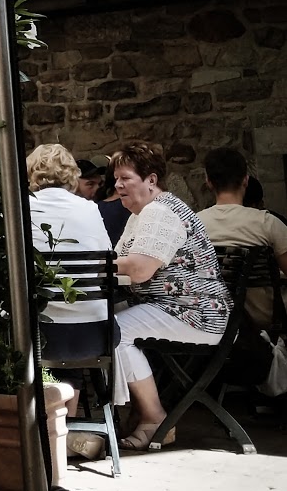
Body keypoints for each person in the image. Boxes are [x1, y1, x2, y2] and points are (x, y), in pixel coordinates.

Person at [112, 142, 231, 452]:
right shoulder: (141, 214)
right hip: (170, 307)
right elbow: (121, 262)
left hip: (195, 313)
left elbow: (138, 269)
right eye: (116, 179)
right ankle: (125, 411)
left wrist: (96, 264)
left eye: (125, 178)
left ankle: (155, 419)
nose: (117, 185)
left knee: (113, 331)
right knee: (101, 320)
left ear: (151, 180)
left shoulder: (160, 212)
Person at [27, 145, 117, 459]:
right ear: (71, 176)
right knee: (74, 315)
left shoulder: (20, 210)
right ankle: (67, 430)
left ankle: (53, 431)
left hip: (39, 338)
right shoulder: (89, 209)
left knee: (47, 317)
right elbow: (106, 263)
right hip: (94, 336)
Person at [198, 147, 287, 331]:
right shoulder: (267, 223)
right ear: (246, 179)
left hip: (212, 320)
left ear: (209, 182)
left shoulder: (193, 225)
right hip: (264, 319)